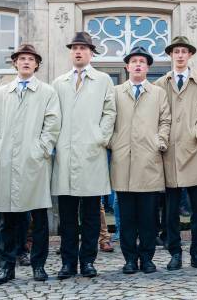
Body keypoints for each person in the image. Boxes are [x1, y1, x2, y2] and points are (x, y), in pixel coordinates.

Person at [0, 44, 61, 285]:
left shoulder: (47, 92)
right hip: (7, 162)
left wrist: (40, 150)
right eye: (22, 58)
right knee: (7, 219)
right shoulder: (1, 93)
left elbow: (52, 124)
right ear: (15, 63)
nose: (26, 62)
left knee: (39, 218)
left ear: (37, 64)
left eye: (31, 59)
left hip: (34, 163)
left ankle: (38, 265)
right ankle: (7, 266)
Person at [52, 32, 116, 279]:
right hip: (65, 157)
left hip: (92, 154)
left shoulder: (103, 80)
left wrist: (100, 137)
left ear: (91, 53)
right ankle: (68, 263)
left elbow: (110, 112)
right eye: (74, 48)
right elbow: (53, 116)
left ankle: (88, 261)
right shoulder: (59, 82)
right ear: (71, 53)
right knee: (67, 217)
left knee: (90, 216)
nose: (78, 52)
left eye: (83, 48)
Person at [154, 36, 197, 270]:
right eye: (176, 51)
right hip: (169, 153)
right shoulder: (161, 83)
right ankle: (175, 253)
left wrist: (196, 133)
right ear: (171, 55)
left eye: (184, 51)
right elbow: (157, 115)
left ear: (190, 55)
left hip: (195, 153)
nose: (180, 55)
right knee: (171, 210)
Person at [109, 46, 171, 274]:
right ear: (126, 67)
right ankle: (128, 259)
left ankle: (147, 258)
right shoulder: (115, 92)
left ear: (147, 67)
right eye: (133, 61)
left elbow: (166, 120)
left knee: (147, 218)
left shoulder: (157, 93)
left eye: (142, 62)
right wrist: (112, 142)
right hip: (123, 162)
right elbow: (108, 120)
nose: (137, 65)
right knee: (126, 218)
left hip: (148, 161)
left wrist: (159, 140)